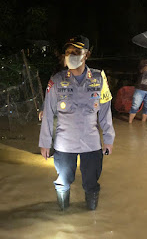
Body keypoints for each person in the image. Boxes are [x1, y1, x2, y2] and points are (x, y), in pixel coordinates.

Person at [39, 36, 115, 211]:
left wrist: (109, 139)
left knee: (91, 182)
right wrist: (45, 142)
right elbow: (48, 113)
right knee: (63, 181)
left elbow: (105, 112)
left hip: (91, 142)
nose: (71, 55)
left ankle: (91, 216)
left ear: (86, 54)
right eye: (68, 52)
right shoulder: (56, 80)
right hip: (65, 143)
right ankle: (63, 213)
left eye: (76, 52)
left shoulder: (99, 78)